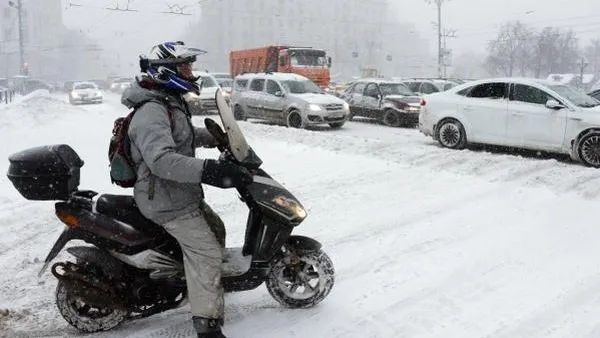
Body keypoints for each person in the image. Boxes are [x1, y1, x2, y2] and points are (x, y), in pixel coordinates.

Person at [121, 41, 253, 338]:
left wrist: (212, 137)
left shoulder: (167, 101)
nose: (191, 72)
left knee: (215, 228)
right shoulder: (151, 111)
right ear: (166, 71)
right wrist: (209, 170)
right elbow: (161, 161)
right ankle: (207, 326)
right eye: (185, 67)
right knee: (206, 253)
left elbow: (180, 136)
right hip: (165, 200)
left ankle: (200, 283)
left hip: (179, 193)